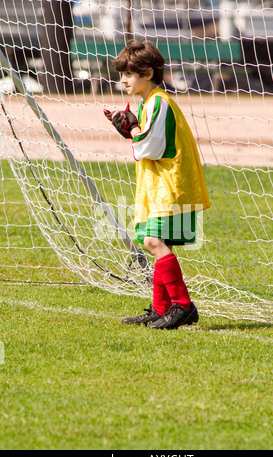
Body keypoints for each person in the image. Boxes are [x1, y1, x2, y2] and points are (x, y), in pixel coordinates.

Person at [104, 40, 210, 329]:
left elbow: (148, 148)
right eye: (121, 74)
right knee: (157, 242)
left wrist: (133, 129)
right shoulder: (148, 102)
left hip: (171, 185)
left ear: (148, 73)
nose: (123, 80)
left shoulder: (159, 102)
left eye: (129, 74)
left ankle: (183, 306)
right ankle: (162, 309)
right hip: (160, 185)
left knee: (153, 241)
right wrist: (134, 127)